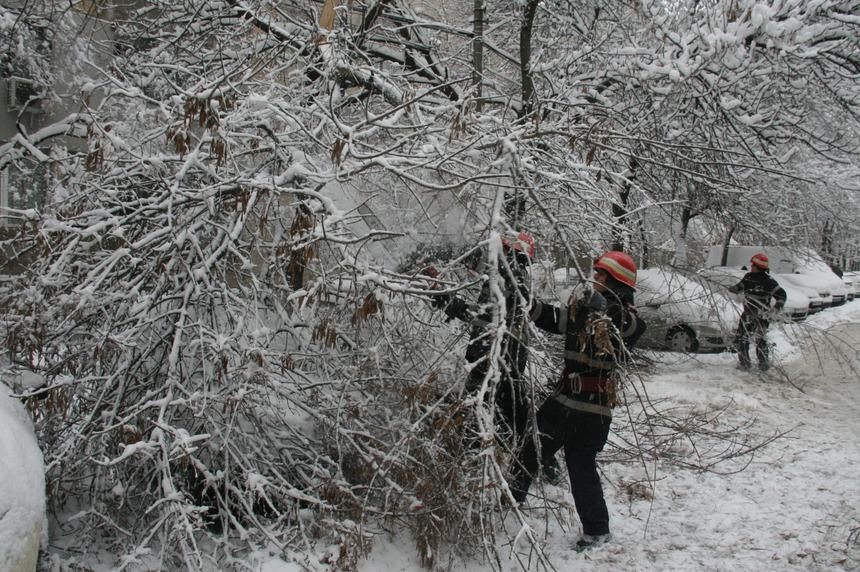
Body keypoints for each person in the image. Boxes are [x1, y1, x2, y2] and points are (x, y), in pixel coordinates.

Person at [508, 250, 646, 552]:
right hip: (563, 399)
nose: (594, 278)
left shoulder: (625, 319)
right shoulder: (583, 311)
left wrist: (604, 311)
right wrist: (525, 302)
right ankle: (510, 502)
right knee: (531, 447)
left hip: (593, 409)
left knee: (580, 466)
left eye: (601, 274)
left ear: (616, 281)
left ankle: (597, 531)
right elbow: (555, 319)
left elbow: (630, 329)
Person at [429, 232, 538, 447]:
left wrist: (448, 301)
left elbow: (484, 317)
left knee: (479, 406)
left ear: (512, 254)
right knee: (505, 408)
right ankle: (520, 448)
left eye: (503, 249)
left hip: (496, 354)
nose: (497, 253)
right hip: (501, 353)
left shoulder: (510, 279)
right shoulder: (509, 276)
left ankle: (472, 449)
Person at [729, 253, 787, 372]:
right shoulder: (748, 277)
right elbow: (739, 287)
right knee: (747, 339)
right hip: (749, 314)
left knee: (755, 339)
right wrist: (734, 288)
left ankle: (758, 365)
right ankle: (750, 364)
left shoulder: (768, 281)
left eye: (753, 265)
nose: (751, 267)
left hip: (761, 316)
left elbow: (782, 295)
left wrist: (776, 308)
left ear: (758, 266)